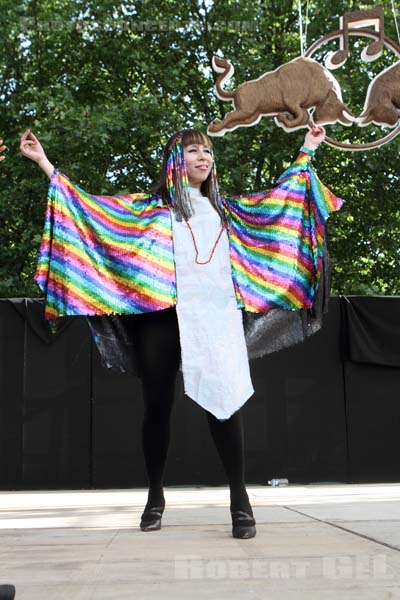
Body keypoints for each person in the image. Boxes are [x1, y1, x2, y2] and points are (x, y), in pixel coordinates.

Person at [20, 124, 340, 539]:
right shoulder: (151, 210)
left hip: (215, 316)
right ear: (176, 160)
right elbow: (89, 210)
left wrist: (308, 148)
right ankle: (155, 494)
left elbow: (281, 201)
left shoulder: (230, 212)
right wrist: (44, 163)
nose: (203, 157)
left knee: (225, 403)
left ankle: (239, 500)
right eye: (193, 151)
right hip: (162, 315)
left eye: (207, 151)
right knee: (157, 405)